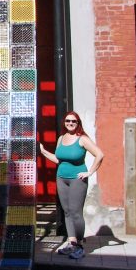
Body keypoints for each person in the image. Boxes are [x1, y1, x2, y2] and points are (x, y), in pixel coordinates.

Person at [38, 111, 104, 259]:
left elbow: (100, 154)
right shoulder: (61, 138)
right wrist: (42, 151)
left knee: (76, 213)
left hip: (77, 180)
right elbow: (58, 159)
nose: (70, 123)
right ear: (64, 123)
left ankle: (79, 245)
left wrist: (89, 172)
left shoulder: (82, 139)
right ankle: (71, 242)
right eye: (68, 121)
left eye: (74, 121)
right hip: (61, 178)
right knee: (67, 212)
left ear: (78, 123)